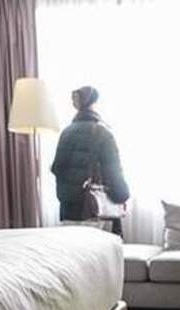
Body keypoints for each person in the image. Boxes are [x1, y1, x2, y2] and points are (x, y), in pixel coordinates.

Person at [51, 86, 129, 234]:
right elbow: (114, 174)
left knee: (72, 248)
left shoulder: (66, 133)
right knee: (102, 249)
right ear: (94, 103)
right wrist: (123, 195)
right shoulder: (103, 133)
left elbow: (57, 169)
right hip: (95, 210)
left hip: (68, 211)